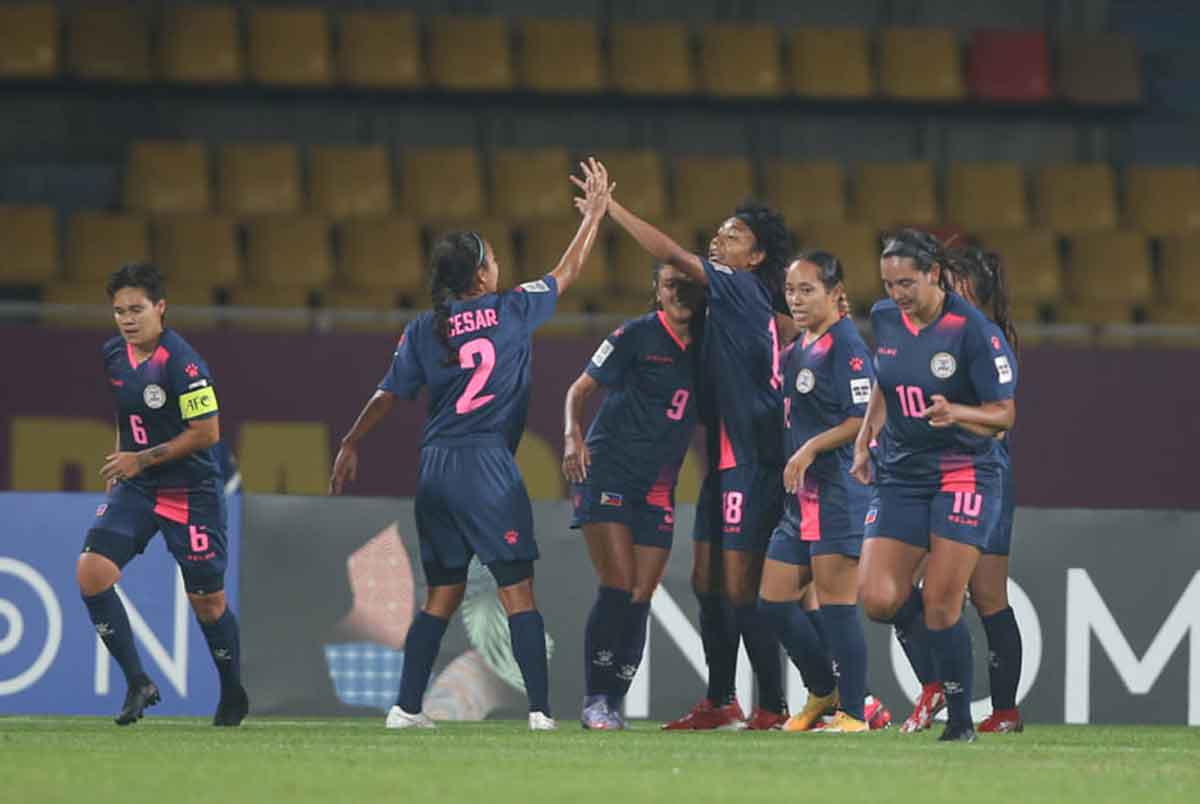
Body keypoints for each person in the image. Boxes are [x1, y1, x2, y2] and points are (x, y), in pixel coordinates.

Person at [329, 158, 612, 731]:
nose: (501, 266)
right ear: (480, 275)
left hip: (434, 466)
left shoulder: (422, 328)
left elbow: (386, 397)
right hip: (486, 464)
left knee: (442, 593)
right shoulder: (510, 309)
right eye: (493, 259)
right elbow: (570, 268)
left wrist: (350, 442)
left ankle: (405, 708)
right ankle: (538, 712)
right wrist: (595, 216)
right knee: (517, 591)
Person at [595, 179, 795, 730]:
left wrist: (612, 209)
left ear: (754, 257)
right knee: (706, 581)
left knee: (740, 586)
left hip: (752, 459)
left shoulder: (739, 286)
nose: (719, 239)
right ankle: (720, 700)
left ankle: (775, 706)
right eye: (721, 231)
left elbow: (669, 253)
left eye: (734, 236)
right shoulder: (733, 306)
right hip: (723, 459)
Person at [851, 229, 1017, 743]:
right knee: (877, 597)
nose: (897, 293)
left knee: (943, 604)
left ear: (933, 275)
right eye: (888, 283)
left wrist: (956, 412)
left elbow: (1003, 416)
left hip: (963, 472)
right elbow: (885, 377)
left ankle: (961, 721)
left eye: (907, 282)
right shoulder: (883, 317)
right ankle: (938, 681)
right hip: (901, 471)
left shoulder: (973, 332)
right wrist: (864, 437)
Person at [78, 263, 247, 727]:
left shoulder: (184, 364)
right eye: (118, 311)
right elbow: (125, 414)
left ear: (161, 308)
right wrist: (121, 458)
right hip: (138, 488)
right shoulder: (114, 354)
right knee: (91, 573)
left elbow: (207, 433)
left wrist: (140, 459)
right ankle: (138, 682)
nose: (127, 320)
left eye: (136, 309)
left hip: (191, 491)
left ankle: (232, 692)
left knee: (207, 602)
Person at [562, 263, 705, 729]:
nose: (678, 293)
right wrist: (572, 436)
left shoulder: (710, 346)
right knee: (619, 585)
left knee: (642, 594)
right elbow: (579, 390)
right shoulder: (635, 335)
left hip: (659, 484)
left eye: (685, 285)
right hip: (609, 470)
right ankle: (594, 698)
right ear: (656, 292)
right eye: (669, 285)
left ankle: (613, 704)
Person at [894, 246, 1024, 734]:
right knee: (902, 589)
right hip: (928, 476)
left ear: (973, 293)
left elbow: (1000, 422)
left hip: (976, 478)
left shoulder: (985, 341)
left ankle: (1003, 711)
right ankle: (936, 686)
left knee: (988, 597)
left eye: (953, 285)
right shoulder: (928, 336)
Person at [758, 252, 874, 733]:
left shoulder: (846, 345)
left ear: (834, 293)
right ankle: (822, 688)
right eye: (791, 291)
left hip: (836, 491)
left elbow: (860, 419)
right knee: (772, 602)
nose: (797, 299)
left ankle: (854, 711)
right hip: (798, 499)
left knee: (837, 604)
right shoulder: (800, 345)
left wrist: (809, 449)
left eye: (808, 290)